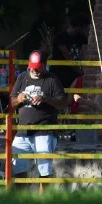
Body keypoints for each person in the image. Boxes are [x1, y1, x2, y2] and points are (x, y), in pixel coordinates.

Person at [9, 51, 67, 189]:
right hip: (23, 131)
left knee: (44, 170)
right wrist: (18, 99)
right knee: (18, 168)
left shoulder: (52, 79)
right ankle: (21, 201)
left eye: (37, 66)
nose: (34, 69)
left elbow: (63, 102)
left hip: (44, 131)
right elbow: (12, 102)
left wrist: (45, 99)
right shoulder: (22, 77)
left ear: (44, 65)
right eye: (32, 66)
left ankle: (43, 203)